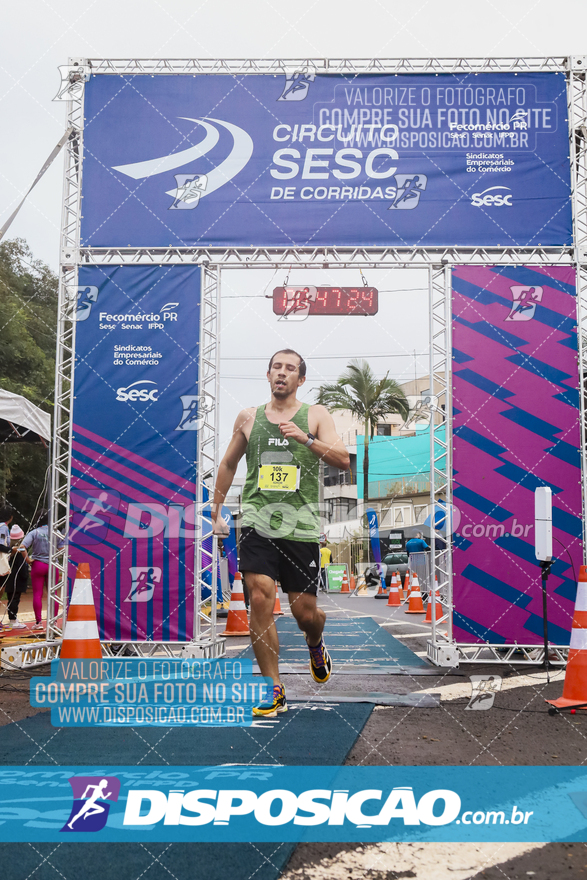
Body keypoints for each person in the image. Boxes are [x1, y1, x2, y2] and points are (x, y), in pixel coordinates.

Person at [213, 349, 350, 717]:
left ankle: (315, 641)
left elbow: (342, 459)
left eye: (291, 369)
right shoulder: (249, 417)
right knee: (259, 597)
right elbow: (228, 463)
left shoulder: (315, 415)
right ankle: (274, 686)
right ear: (269, 374)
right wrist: (216, 506)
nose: (282, 373)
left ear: (300, 380)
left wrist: (305, 439)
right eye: (277, 367)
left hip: (301, 525)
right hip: (257, 520)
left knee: (305, 613)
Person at [21, 511, 54, 632]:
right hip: (52, 564)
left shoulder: (34, 532)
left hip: (38, 564)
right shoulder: (55, 532)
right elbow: (63, 547)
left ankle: (39, 622)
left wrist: (28, 560)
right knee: (54, 595)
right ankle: (54, 622)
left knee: (37, 594)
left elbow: (21, 546)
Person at [0, 525, 29, 631]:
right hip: (17, 580)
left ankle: (12, 620)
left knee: (11, 599)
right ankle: (13, 620)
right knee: (15, 599)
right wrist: (25, 576)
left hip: (9, 579)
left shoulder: (8, 551)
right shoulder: (19, 551)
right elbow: (22, 568)